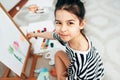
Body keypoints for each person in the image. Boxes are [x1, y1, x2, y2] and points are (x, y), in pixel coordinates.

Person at [27, 0, 104, 80]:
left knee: (63, 71)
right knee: (58, 54)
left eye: (70, 23)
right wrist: (34, 34)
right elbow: (52, 35)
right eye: (59, 23)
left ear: (81, 24)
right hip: (81, 66)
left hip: (88, 76)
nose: (63, 29)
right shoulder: (71, 35)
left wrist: (65, 77)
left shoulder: (81, 58)